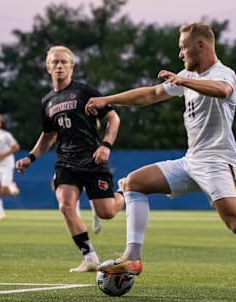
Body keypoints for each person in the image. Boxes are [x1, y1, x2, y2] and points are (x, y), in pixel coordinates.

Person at [85, 22, 236, 276]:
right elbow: (149, 94)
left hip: (217, 162)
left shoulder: (223, 73)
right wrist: (107, 100)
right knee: (134, 183)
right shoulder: (188, 77)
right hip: (191, 162)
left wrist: (184, 82)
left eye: (183, 48)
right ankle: (132, 258)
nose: (180, 54)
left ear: (200, 45)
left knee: (233, 222)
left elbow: (222, 91)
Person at [16, 45, 124, 272]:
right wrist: (31, 157)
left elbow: (113, 119)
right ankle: (90, 257)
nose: (59, 66)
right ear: (48, 67)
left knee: (107, 213)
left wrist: (106, 145)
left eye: (64, 62)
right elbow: (48, 135)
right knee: (65, 206)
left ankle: (125, 193)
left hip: (92, 158)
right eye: (54, 62)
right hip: (65, 162)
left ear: (71, 66)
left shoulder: (85, 91)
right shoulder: (47, 101)